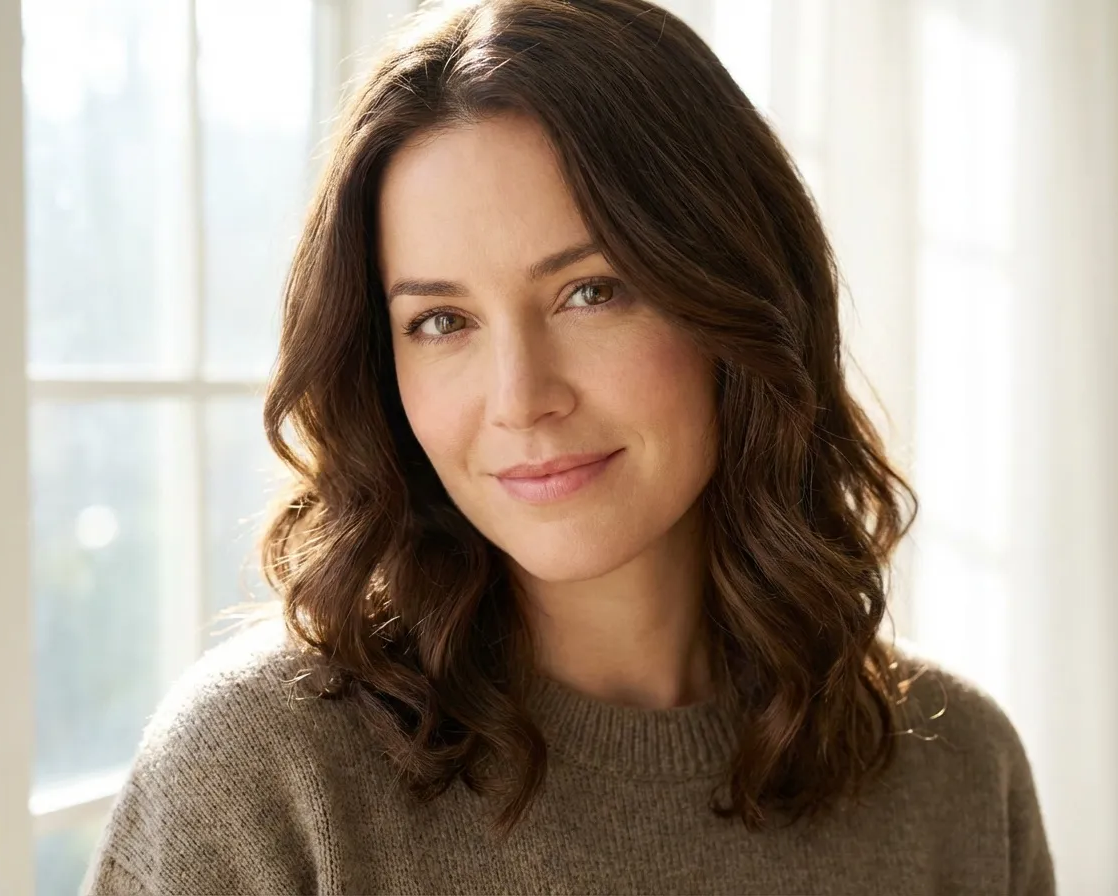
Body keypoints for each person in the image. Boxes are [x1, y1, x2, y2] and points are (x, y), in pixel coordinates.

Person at [82, 1, 1054, 893]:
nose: (521, 399)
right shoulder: (257, 775)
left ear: (740, 295)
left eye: (592, 292)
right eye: (441, 321)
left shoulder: (958, 773)